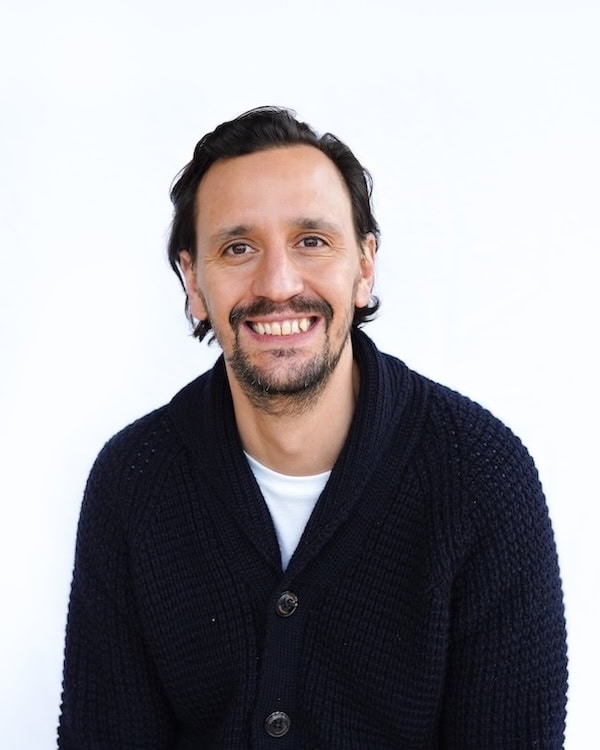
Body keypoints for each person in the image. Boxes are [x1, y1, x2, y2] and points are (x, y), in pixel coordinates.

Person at [58, 107, 568, 749]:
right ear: (193, 282)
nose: (277, 283)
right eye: (237, 248)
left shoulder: (481, 475)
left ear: (364, 265)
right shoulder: (135, 479)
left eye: (312, 241)